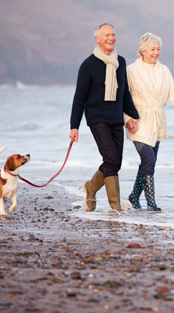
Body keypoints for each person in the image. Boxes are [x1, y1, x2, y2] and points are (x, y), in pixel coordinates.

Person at [69, 23, 139, 213]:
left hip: (116, 117)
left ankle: (91, 187)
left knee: (115, 162)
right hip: (97, 117)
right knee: (111, 157)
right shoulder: (88, 65)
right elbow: (79, 98)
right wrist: (74, 126)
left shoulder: (121, 62)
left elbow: (124, 94)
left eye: (113, 34)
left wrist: (134, 117)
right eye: (107, 34)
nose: (111, 38)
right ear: (97, 39)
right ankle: (115, 206)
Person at [124, 32, 174, 212]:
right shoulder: (131, 70)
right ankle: (151, 203)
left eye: (158, 49)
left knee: (149, 162)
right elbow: (124, 98)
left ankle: (133, 197)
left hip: (157, 120)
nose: (156, 52)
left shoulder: (164, 70)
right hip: (138, 120)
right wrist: (127, 119)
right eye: (153, 49)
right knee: (148, 158)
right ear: (143, 50)